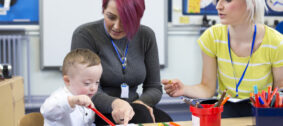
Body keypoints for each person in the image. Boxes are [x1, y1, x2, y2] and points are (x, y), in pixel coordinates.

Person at [162, 0, 283, 117]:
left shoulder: (276, 42)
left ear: (250, 3)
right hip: (226, 110)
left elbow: (279, 91)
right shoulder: (212, 37)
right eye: (217, 0)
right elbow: (207, 89)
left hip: (261, 112)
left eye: (228, 0)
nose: (218, 6)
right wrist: (184, 89)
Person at [71, 0, 172, 125]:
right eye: (111, 17)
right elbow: (85, 89)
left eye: (126, 20)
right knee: (142, 116)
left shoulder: (146, 36)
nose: (116, 26)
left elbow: (154, 87)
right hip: (96, 110)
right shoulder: (85, 35)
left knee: (165, 121)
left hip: (135, 107)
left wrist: (138, 105)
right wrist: (116, 104)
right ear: (103, 11)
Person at [40, 49, 103, 126]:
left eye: (97, 82)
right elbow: (46, 112)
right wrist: (72, 101)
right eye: (87, 83)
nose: (93, 88)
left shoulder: (87, 98)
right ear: (68, 81)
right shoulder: (59, 97)